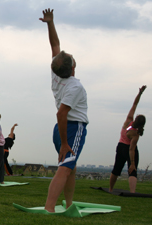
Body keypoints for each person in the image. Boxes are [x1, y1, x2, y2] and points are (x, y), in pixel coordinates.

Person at [40, 8, 89, 212]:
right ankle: (49, 208)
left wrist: (50, 23)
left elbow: (54, 45)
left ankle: (69, 204)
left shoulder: (56, 75)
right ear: (72, 67)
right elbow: (61, 113)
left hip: (59, 129)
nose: (65, 51)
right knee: (65, 168)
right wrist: (66, 143)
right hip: (71, 128)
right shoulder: (74, 86)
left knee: (71, 167)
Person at [109, 86, 146, 193]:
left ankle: (111, 189)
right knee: (132, 171)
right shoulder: (135, 134)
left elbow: (134, 104)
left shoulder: (128, 121)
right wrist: (133, 163)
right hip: (128, 149)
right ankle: (132, 192)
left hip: (120, 146)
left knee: (116, 169)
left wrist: (140, 94)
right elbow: (131, 149)